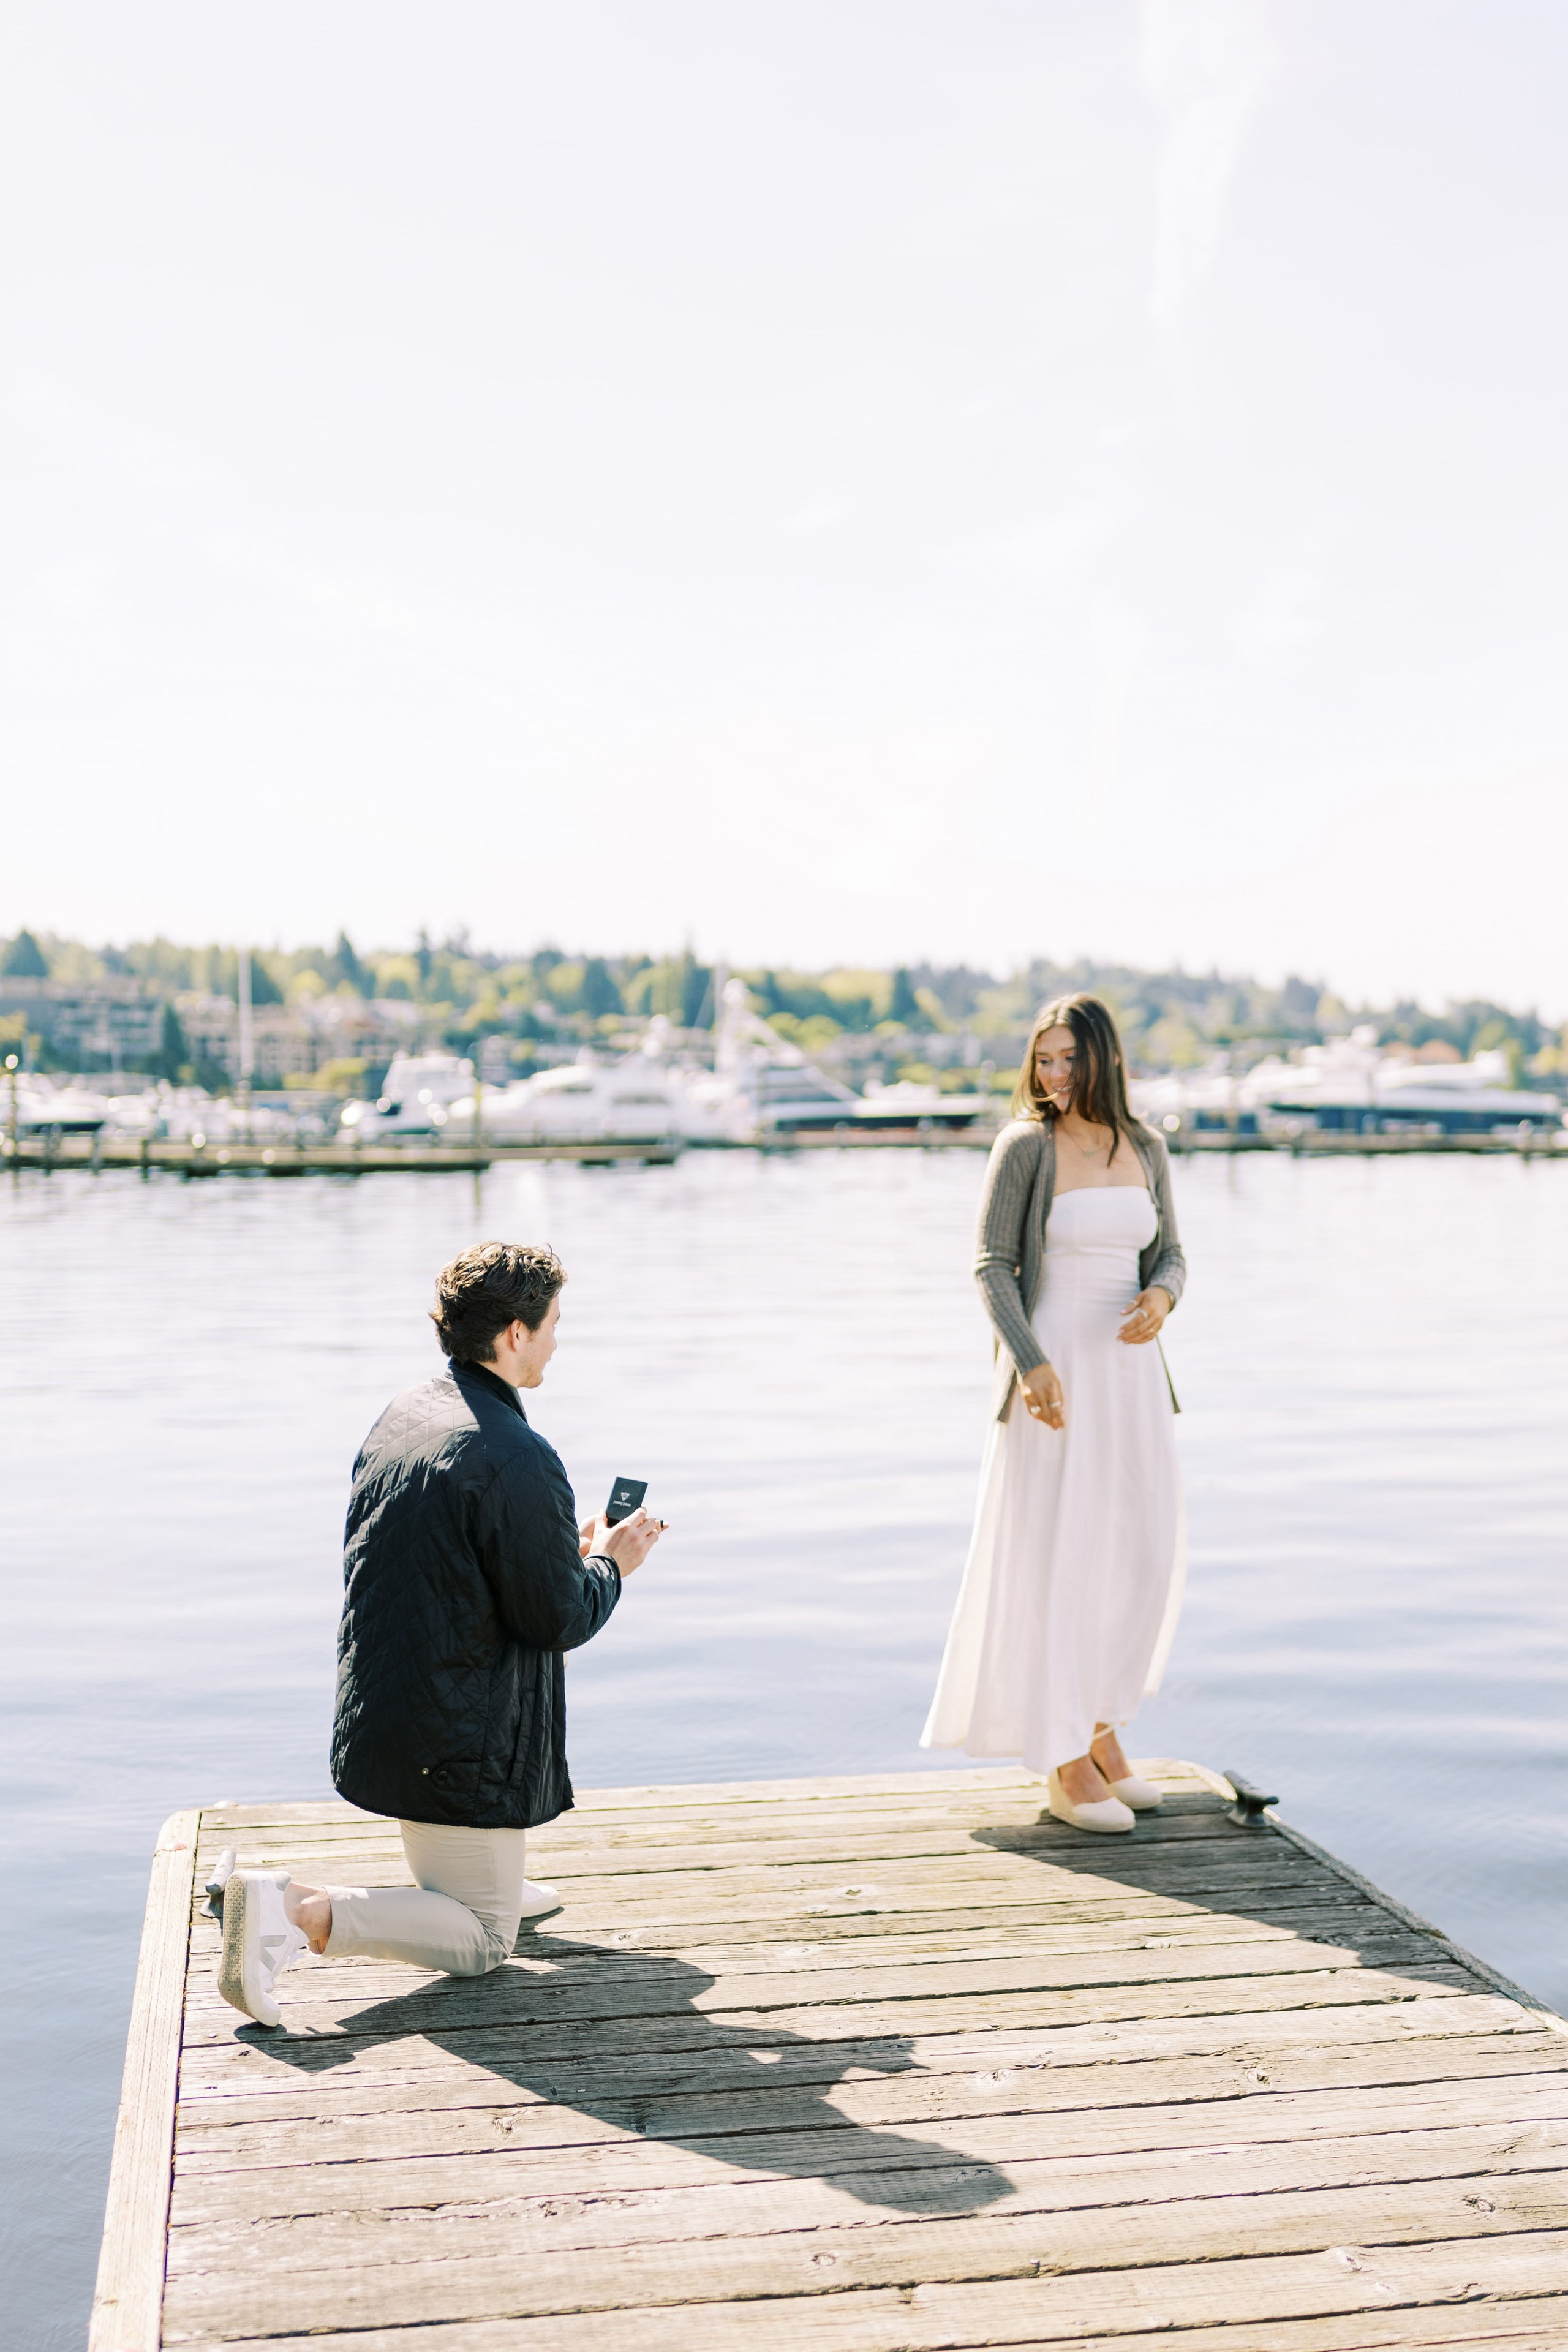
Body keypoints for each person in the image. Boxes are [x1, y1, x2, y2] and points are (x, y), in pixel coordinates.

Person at [217, 1239, 664, 2027]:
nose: (559, 1340)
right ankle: (291, 1909)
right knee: (486, 1940)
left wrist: (567, 1549)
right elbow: (557, 1618)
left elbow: (461, 1562)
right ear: (516, 1335)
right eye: (554, 1323)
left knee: (490, 1900)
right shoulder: (515, 1454)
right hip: (457, 1741)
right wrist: (611, 1566)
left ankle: (476, 1879)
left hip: (390, 1709)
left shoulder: (409, 1413)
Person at [921, 993, 1186, 1832]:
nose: (1056, 1074)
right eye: (1045, 1058)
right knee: (1065, 1555)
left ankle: (1103, 1729)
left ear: (1106, 1059)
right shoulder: (1025, 1147)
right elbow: (992, 1266)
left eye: (1071, 1058)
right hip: (1056, 1377)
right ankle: (1065, 1762)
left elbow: (1171, 1251)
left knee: (1137, 1553)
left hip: (1134, 1377)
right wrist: (1030, 1364)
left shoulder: (1144, 1145)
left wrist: (1161, 1296)